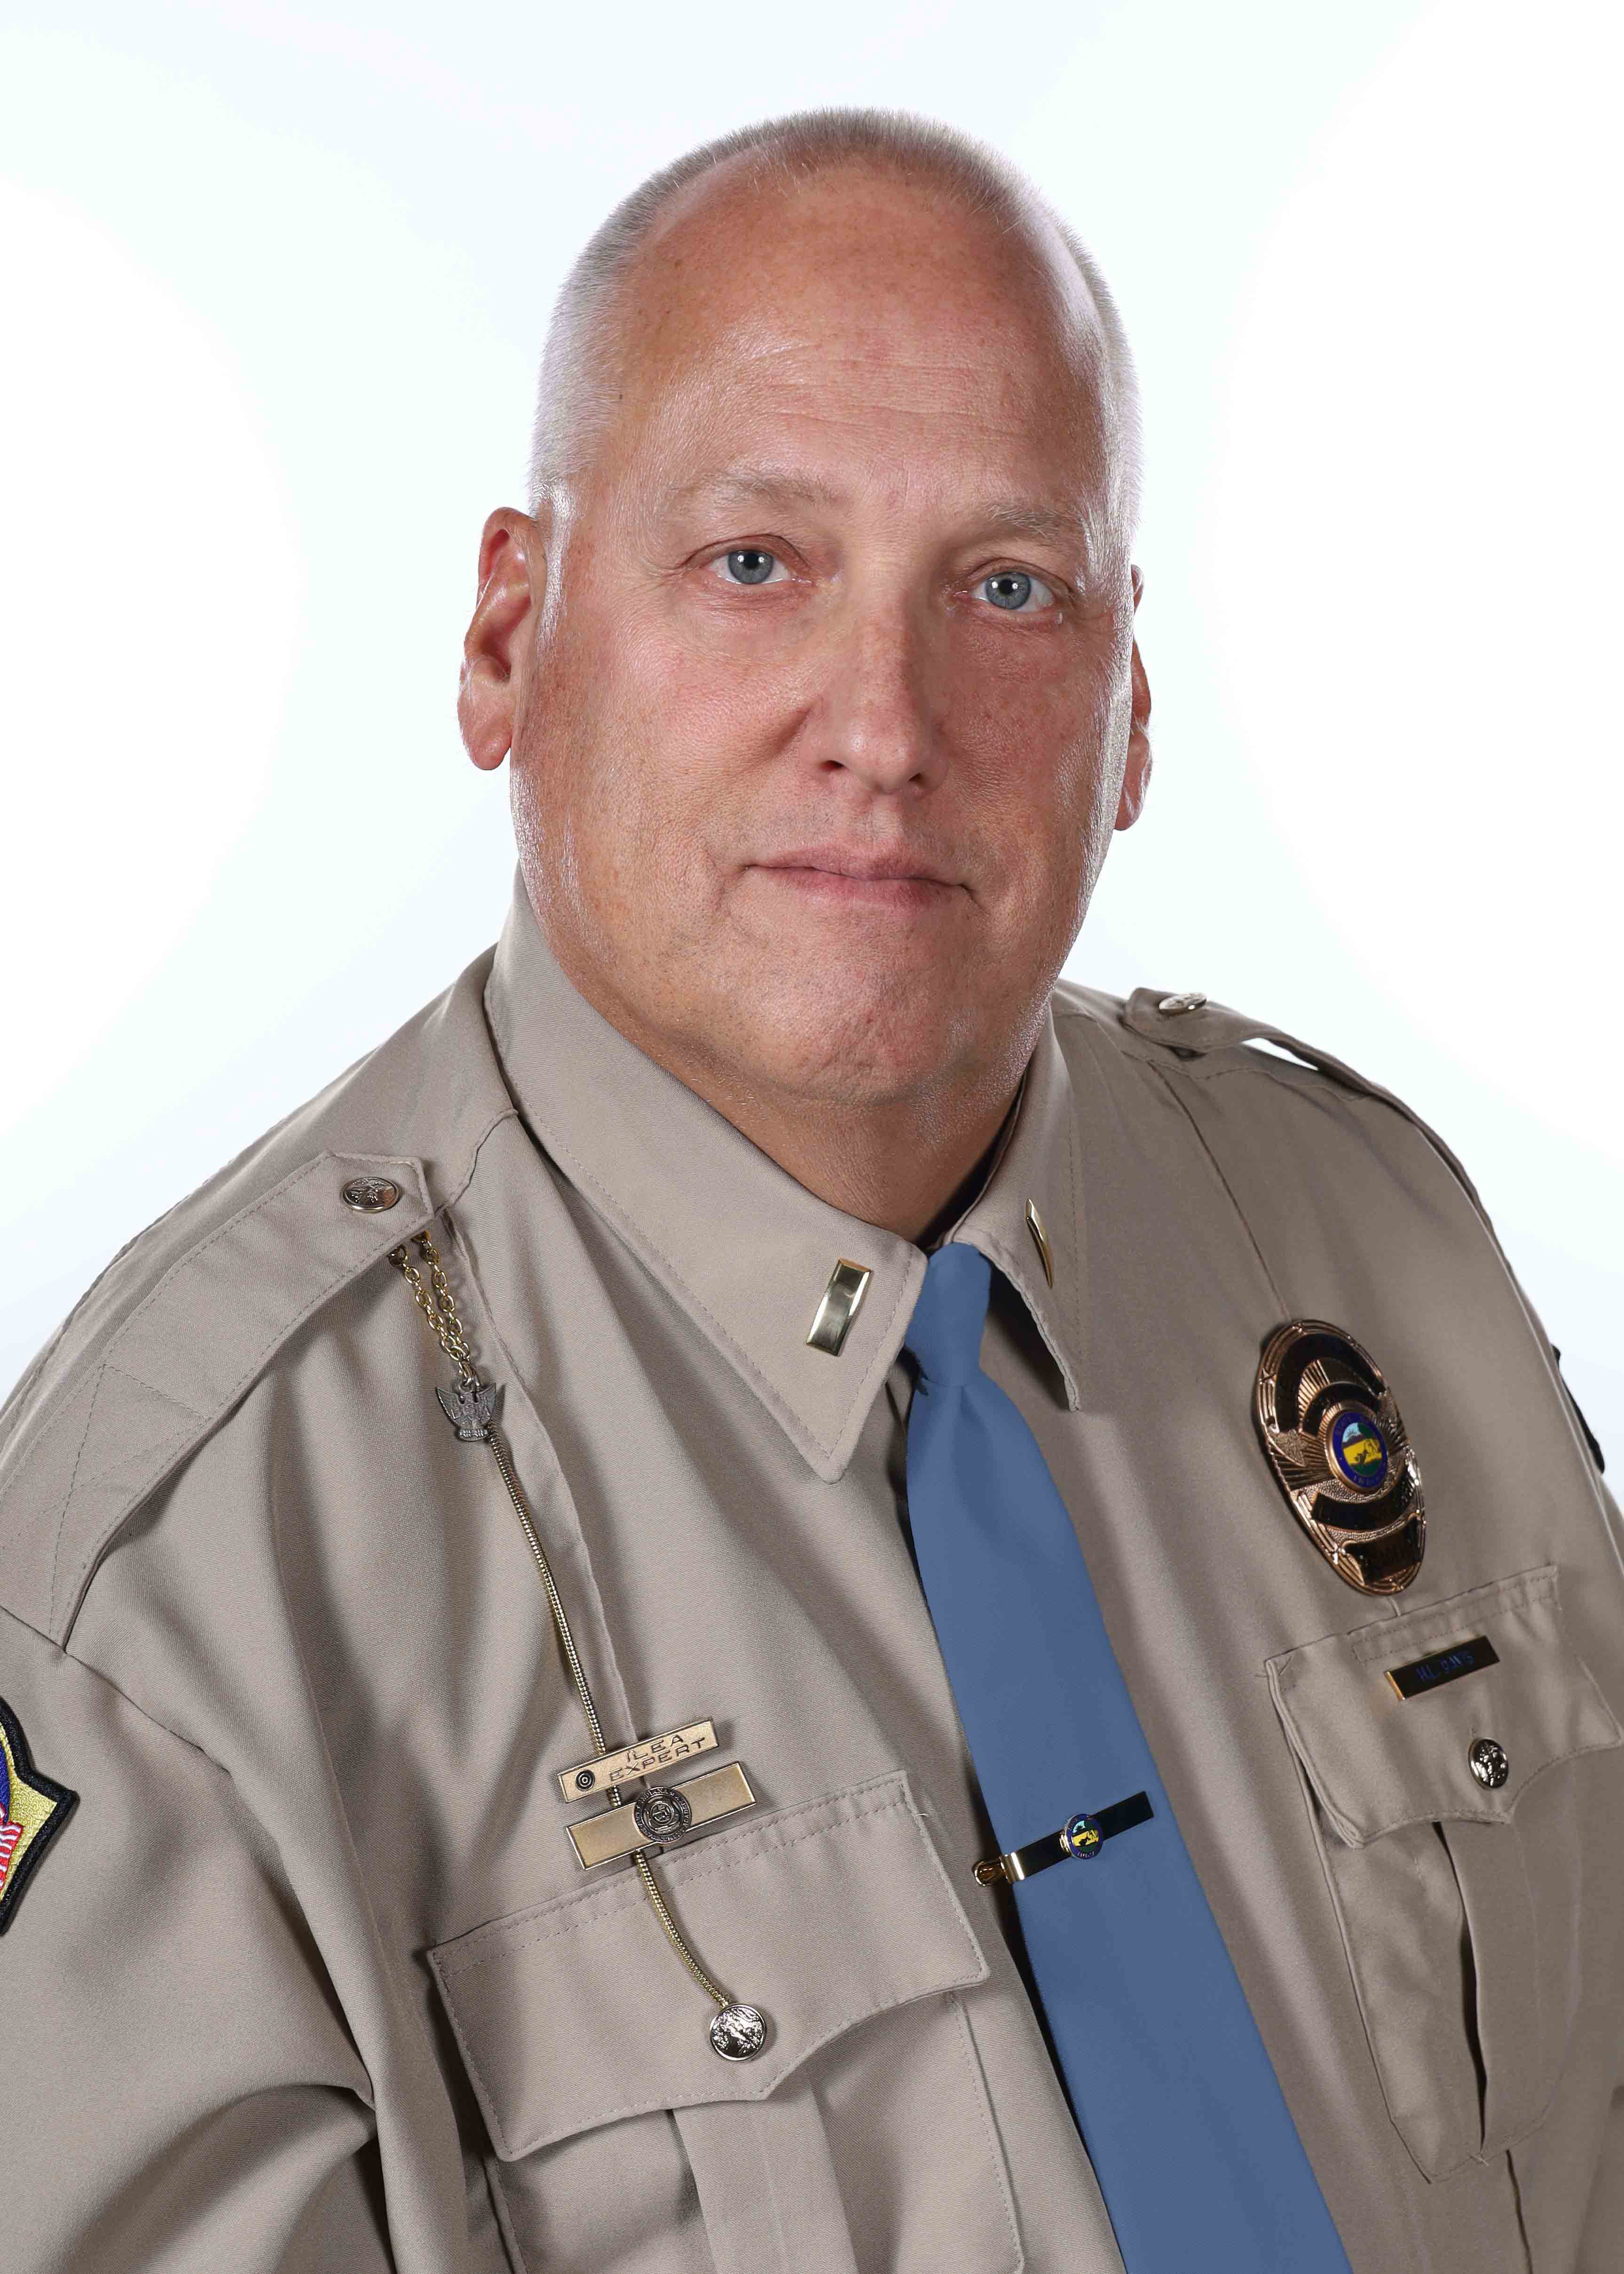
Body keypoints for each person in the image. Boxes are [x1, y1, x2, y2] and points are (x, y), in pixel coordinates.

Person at [0, 105, 1617, 2274]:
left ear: (1133, 703)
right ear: (508, 636)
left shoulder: (1371, 1241)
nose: (886, 724)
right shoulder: (175, 1582)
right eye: (755, 563)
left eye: (1010, 586)